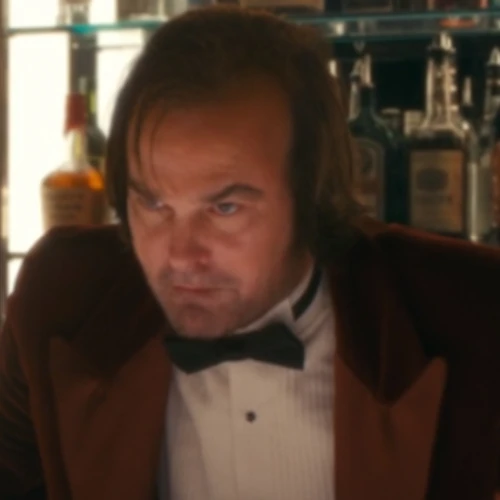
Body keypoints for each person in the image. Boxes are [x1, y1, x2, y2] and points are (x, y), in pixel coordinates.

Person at [1, 6, 500, 500]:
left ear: (311, 196)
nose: (180, 256)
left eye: (225, 208)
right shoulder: (63, 302)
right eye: (154, 204)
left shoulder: (471, 312)